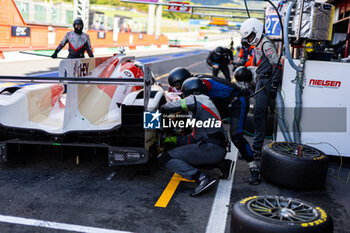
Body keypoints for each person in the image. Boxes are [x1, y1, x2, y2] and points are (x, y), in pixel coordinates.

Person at [166, 68, 261, 185]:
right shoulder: (197, 80)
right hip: (223, 103)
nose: (179, 90)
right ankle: (220, 162)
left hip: (237, 102)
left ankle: (253, 168)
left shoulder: (201, 83)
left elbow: (193, 101)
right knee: (202, 128)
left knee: (236, 135)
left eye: (179, 86)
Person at [158, 78, 227, 196]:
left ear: (190, 91)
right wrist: (168, 140)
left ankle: (201, 178)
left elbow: (172, 106)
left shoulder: (197, 99)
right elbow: (191, 139)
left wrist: (161, 107)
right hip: (217, 147)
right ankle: (221, 164)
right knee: (181, 146)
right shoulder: (206, 102)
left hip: (211, 149)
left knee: (165, 158)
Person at [240, 18, 282, 158]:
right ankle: (257, 147)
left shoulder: (265, 43)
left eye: (251, 36)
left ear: (256, 31)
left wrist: (274, 84)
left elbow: (276, 64)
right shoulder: (258, 44)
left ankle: (256, 149)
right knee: (260, 114)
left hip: (266, 81)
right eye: (248, 37)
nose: (250, 39)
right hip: (261, 80)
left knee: (259, 114)